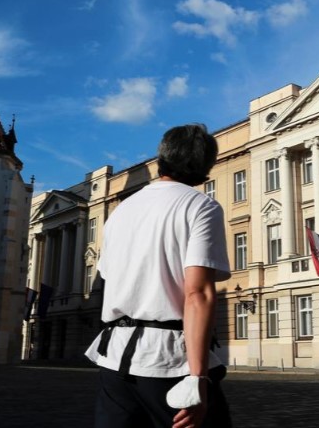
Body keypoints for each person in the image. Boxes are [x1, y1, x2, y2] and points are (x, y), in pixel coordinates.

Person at [86, 124, 232, 428]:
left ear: (161, 158)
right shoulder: (201, 206)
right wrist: (198, 377)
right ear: (205, 169)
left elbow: (109, 277)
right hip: (168, 360)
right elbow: (198, 293)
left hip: (115, 360)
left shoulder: (121, 212)